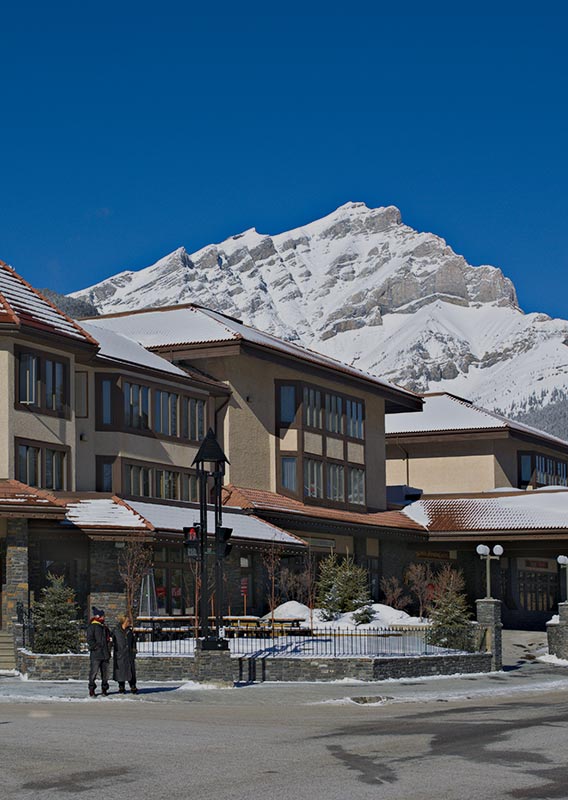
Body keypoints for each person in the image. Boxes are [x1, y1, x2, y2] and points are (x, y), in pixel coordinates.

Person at [86, 606, 112, 697]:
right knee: (93, 673)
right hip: (96, 654)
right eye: (102, 616)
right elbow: (89, 639)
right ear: (98, 616)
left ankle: (104, 689)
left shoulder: (104, 627)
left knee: (105, 674)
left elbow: (108, 639)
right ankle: (92, 689)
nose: (104, 617)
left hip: (105, 654)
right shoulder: (92, 626)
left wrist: (109, 647)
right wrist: (96, 646)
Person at [112, 613, 138, 694]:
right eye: (127, 621)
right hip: (120, 654)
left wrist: (134, 650)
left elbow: (133, 641)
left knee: (131, 671)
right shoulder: (116, 631)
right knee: (121, 671)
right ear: (123, 621)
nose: (129, 622)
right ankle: (121, 686)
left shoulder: (129, 631)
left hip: (129, 654)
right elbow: (111, 641)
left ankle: (133, 686)